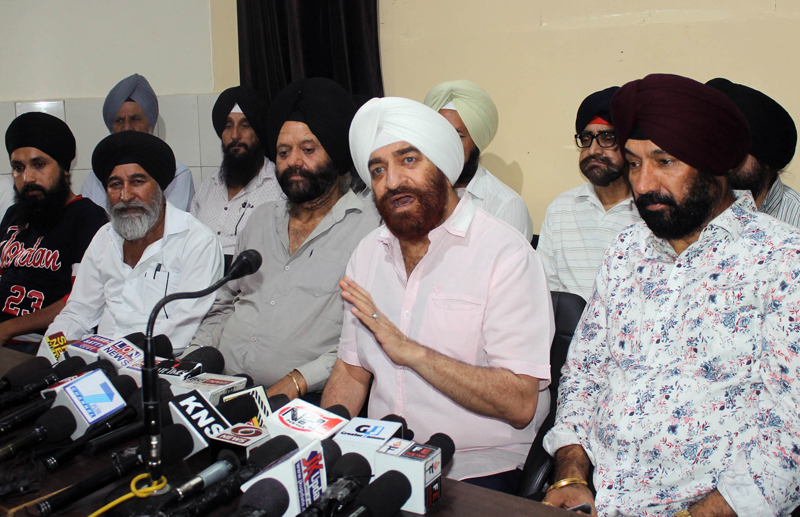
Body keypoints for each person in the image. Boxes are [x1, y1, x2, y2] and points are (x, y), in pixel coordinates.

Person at [543, 73, 800, 516]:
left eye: (665, 162)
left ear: (714, 164)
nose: (643, 184)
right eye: (634, 163)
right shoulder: (626, 250)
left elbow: (789, 436)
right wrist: (571, 475)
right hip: (597, 499)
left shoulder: (782, 260)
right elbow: (585, 374)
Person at [321, 97, 554, 494]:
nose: (392, 181)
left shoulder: (505, 254)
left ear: (445, 168)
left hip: (475, 466)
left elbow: (519, 403)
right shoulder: (367, 253)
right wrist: (322, 448)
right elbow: (351, 371)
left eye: (409, 160)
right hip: (381, 455)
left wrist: (412, 352)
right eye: (378, 169)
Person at [191, 78, 380, 401]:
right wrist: (192, 359)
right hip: (222, 387)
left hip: (304, 400)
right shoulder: (260, 219)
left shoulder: (369, 230)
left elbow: (365, 337)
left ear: (335, 153)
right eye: (283, 152)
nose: (293, 161)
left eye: (308, 150)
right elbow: (222, 306)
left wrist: (299, 380)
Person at [42, 131, 223, 359]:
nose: (125, 195)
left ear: (160, 188)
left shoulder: (197, 242)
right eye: (115, 184)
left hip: (157, 369)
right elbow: (77, 314)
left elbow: (179, 333)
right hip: (98, 365)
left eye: (137, 182)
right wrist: (52, 356)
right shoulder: (105, 237)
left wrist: (108, 358)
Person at [0, 113, 107, 353]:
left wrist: (8, 329)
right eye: (18, 168)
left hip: (52, 343)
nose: (27, 178)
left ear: (64, 169)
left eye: (39, 165)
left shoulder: (87, 218)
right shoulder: (14, 215)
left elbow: (81, 301)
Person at [536, 87, 642, 301]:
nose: (593, 150)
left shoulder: (650, 211)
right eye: (586, 139)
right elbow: (543, 290)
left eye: (607, 138)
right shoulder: (561, 208)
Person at [423, 79, 533, 240]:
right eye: (439, 134)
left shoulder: (505, 205)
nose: (447, 145)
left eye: (458, 136)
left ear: (477, 140)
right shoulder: (413, 192)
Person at [191, 86, 284, 268]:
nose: (235, 135)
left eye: (245, 126)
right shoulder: (208, 186)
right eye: (228, 126)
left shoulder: (279, 186)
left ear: (258, 131)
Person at [81, 73, 195, 212]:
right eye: (119, 120)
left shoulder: (176, 174)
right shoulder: (94, 179)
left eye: (135, 119)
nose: (127, 128)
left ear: (151, 123)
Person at [707, 78, 800, 227]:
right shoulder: (691, 211)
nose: (719, 160)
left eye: (734, 150)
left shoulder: (795, 222)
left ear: (767, 160)